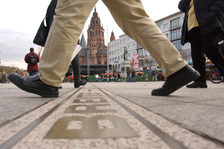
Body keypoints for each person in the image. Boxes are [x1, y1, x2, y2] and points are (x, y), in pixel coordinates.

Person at [8, 0, 200, 97]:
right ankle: (177, 67)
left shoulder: (101, 45)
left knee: (69, 10)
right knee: (134, 15)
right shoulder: (93, 43)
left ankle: (48, 79)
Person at [34, 0, 86, 88]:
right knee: (69, 56)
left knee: (73, 56)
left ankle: (74, 80)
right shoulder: (59, 2)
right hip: (64, 32)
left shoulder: (56, 2)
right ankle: (52, 81)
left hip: (63, 31)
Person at [178, 0, 224, 88]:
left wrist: (212, 13)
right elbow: (181, 7)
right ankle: (200, 81)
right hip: (192, 26)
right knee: (196, 55)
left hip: (207, 23)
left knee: (211, 50)